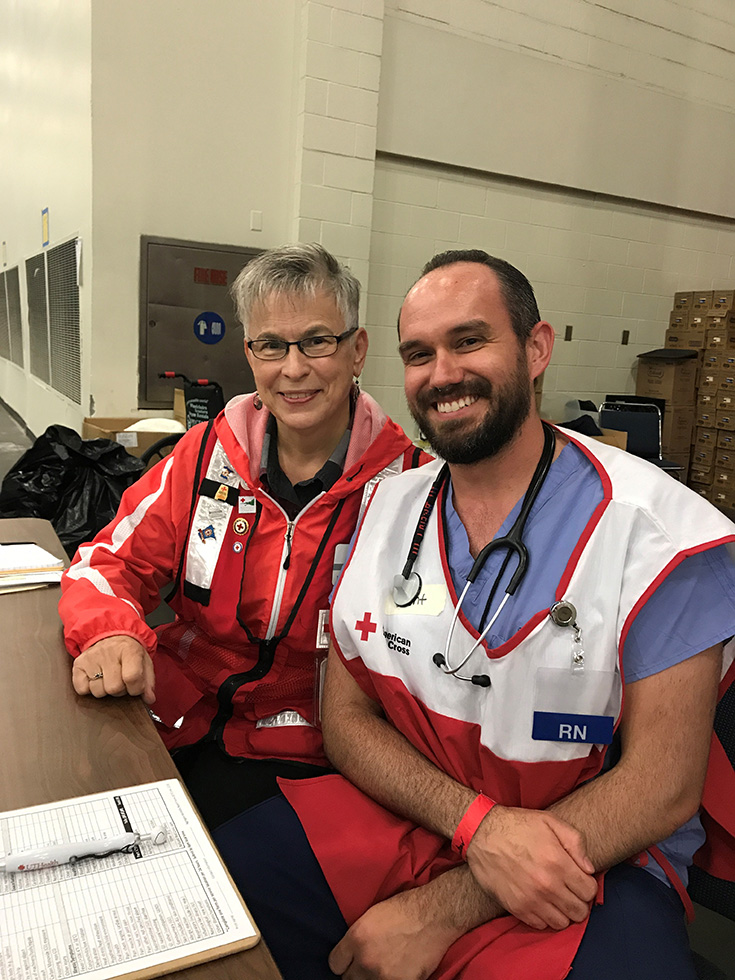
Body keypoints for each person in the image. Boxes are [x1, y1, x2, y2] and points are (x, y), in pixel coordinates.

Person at [213, 249, 735, 980]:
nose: (441, 373)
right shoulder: (386, 507)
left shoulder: (658, 535)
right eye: (419, 354)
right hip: (415, 815)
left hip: (588, 857)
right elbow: (347, 719)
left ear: (535, 348)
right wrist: (476, 827)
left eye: (468, 341)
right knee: (212, 907)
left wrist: (444, 906)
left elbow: (663, 784)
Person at [60, 242, 427, 829]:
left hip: (312, 759)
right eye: (271, 346)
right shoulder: (205, 455)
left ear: (357, 350)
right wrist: (110, 634)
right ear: (249, 355)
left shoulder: (410, 488)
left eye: (317, 341)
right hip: (176, 719)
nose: (294, 368)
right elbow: (104, 563)